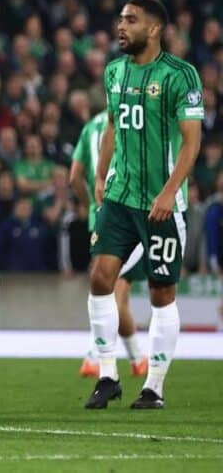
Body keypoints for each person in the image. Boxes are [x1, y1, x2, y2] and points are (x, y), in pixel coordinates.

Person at [85, 0, 202, 410]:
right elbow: (114, 126)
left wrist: (170, 191)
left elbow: (192, 140)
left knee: (161, 292)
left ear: (154, 29)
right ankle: (107, 375)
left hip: (161, 204)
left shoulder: (180, 75)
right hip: (119, 196)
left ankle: (153, 386)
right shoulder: (114, 71)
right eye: (119, 19)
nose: (121, 26)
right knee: (100, 277)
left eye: (130, 20)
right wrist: (101, 175)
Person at [71, 110, 148, 379]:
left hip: (99, 217)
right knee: (116, 293)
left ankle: (127, 357)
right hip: (127, 212)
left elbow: (74, 176)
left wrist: (88, 206)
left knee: (114, 293)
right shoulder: (132, 115)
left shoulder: (90, 126)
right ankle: (121, 357)